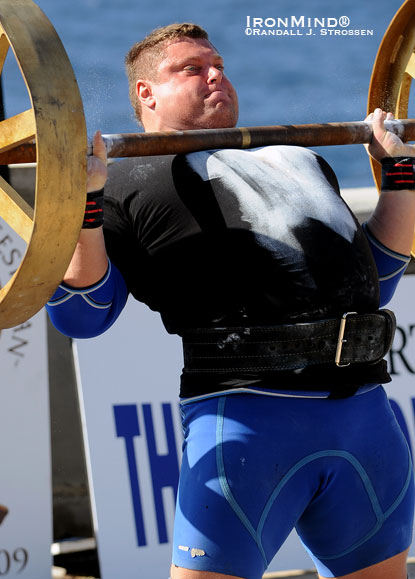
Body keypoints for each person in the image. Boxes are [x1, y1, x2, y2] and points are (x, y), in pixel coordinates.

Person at [46, 23, 415, 579]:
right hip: (245, 426)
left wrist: (400, 174)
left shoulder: (301, 159)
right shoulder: (122, 185)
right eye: (191, 69)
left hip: (367, 420)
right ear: (146, 94)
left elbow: (376, 277)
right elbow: (81, 314)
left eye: (218, 64)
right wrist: (83, 208)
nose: (215, 74)